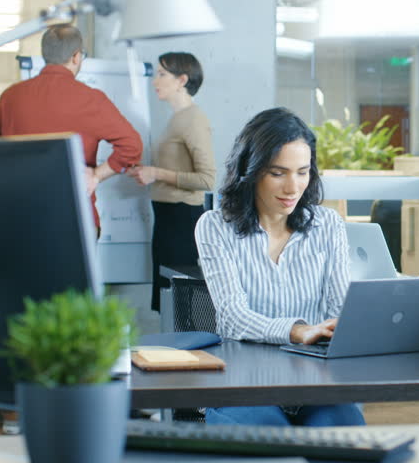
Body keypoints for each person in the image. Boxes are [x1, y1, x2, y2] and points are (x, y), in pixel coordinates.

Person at [194, 107, 365, 427]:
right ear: (251, 170)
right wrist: (299, 330)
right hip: (243, 385)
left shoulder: (327, 224)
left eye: (302, 172)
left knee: (345, 431)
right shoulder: (215, 226)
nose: (293, 187)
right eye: (278, 173)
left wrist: (354, 324)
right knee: (271, 439)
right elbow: (232, 318)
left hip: (315, 384)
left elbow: (341, 306)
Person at [0, 24, 142, 230]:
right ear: (76, 57)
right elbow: (132, 145)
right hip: (74, 217)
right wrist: (96, 175)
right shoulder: (91, 99)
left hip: (18, 215)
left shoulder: (11, 96)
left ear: (45, 54)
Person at [128, 52, 215, 312]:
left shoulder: (194, 119)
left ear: (182, 80)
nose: (155, 80)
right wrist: (149, 171)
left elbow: (207, 179)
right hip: (166, 220)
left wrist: (156, 173)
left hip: (182, 221)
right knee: (169, 305)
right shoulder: (176, 118)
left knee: (180, 307)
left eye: (162, 74)